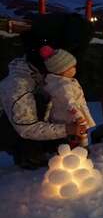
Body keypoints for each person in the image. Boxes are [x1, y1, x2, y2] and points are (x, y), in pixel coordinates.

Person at [0, 30, 87, 169]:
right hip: (12, 128)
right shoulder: (18, 85)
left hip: (39, 123)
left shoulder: (48, 75)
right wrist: (67, 129)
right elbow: (26, 127)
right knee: (39, 101)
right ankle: (27, 154)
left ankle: (47, 146)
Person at [40, 45, 95, 147]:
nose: (75, 69)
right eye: (72, 67)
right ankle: (79, 151)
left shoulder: (61, 82)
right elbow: (69, 103)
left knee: (77, 135)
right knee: (76, 134)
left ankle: (80, 149)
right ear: (63, 70)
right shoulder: (63, 86)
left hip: (66, 116)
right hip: (70, 117)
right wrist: (79, 116)